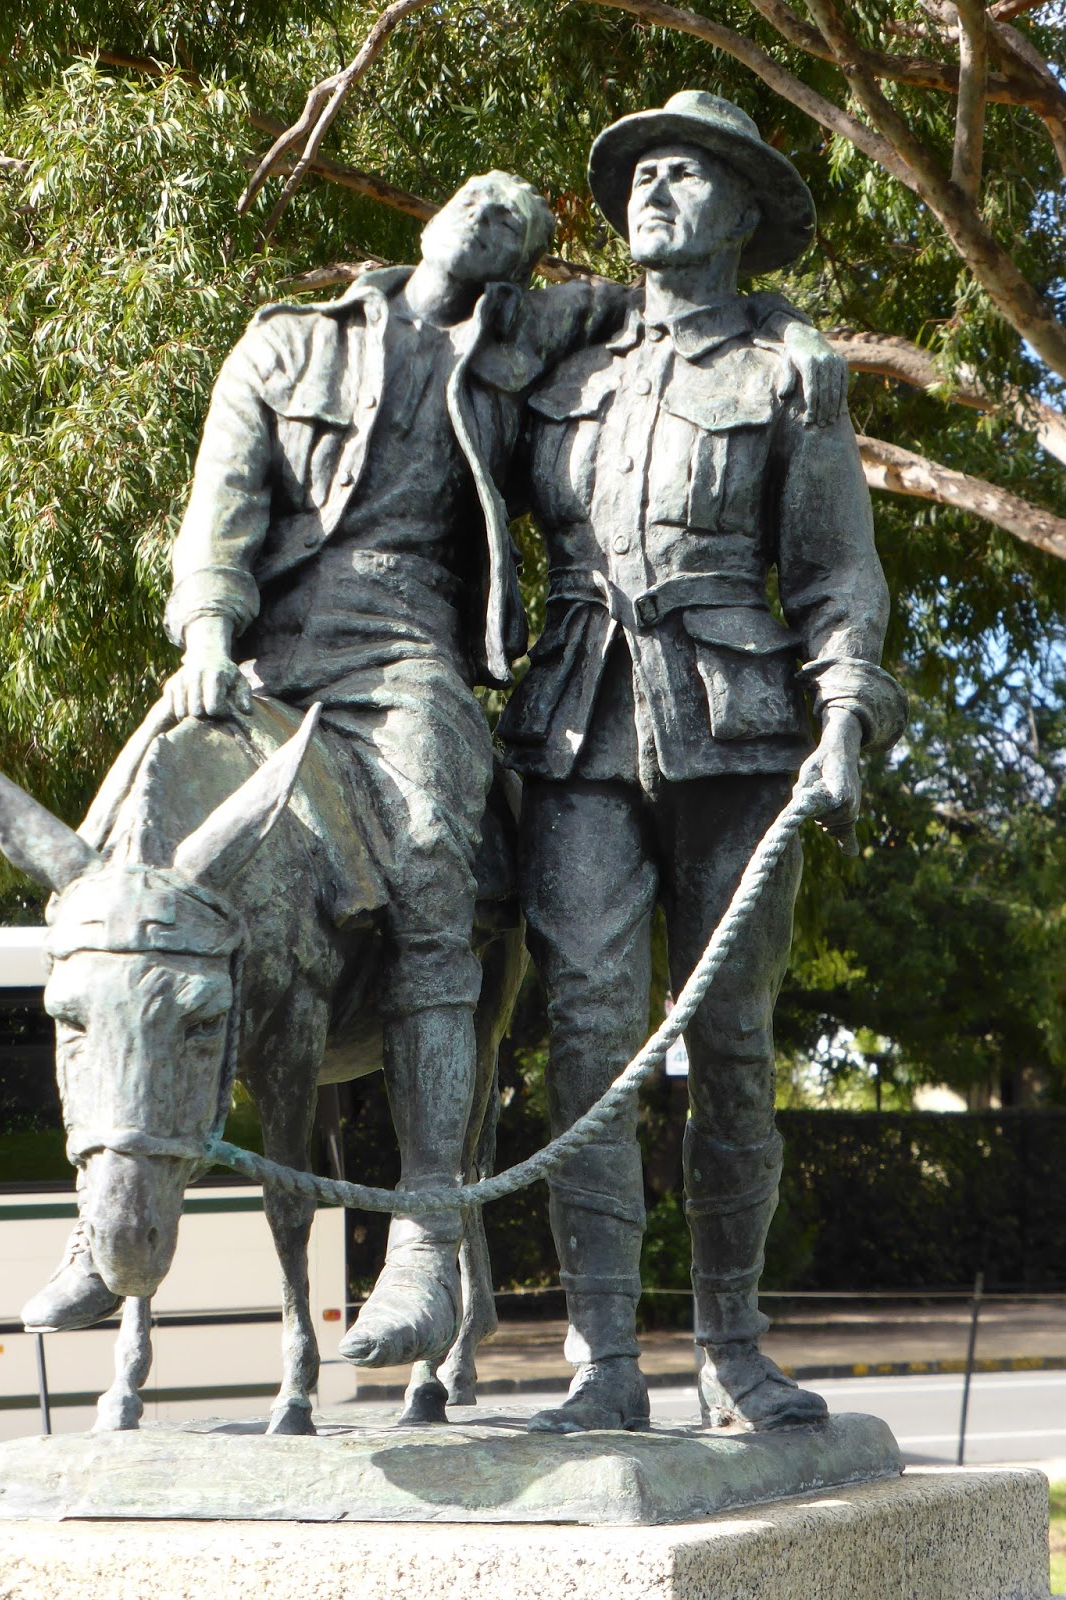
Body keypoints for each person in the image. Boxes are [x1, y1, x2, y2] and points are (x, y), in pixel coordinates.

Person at [22, 162, 845, 1378]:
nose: (496, 222)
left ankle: (424, 1221)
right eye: (482, 203)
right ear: (437, 215)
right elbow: (221, 504)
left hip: (406, 657)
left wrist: (790, 329)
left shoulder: (525, 344)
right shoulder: (288, 342)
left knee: (428, 869)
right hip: (257, 658)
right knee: (109, 874)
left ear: (525, 266)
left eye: (523, 225)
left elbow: (683, 303)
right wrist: (204, 633)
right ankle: (108, 1217)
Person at [498, 91, 907, 1434]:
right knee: (591, 1047)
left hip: (736, 733)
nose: (655, 189)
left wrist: (848, 714)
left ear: (743, 213)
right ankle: (601, 1366)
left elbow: (841, 577)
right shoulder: (564, 363)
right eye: (642, 173)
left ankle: (733, 1349)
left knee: (729, 1050)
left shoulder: (791, 373)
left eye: (688, 173)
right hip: (576, 730)